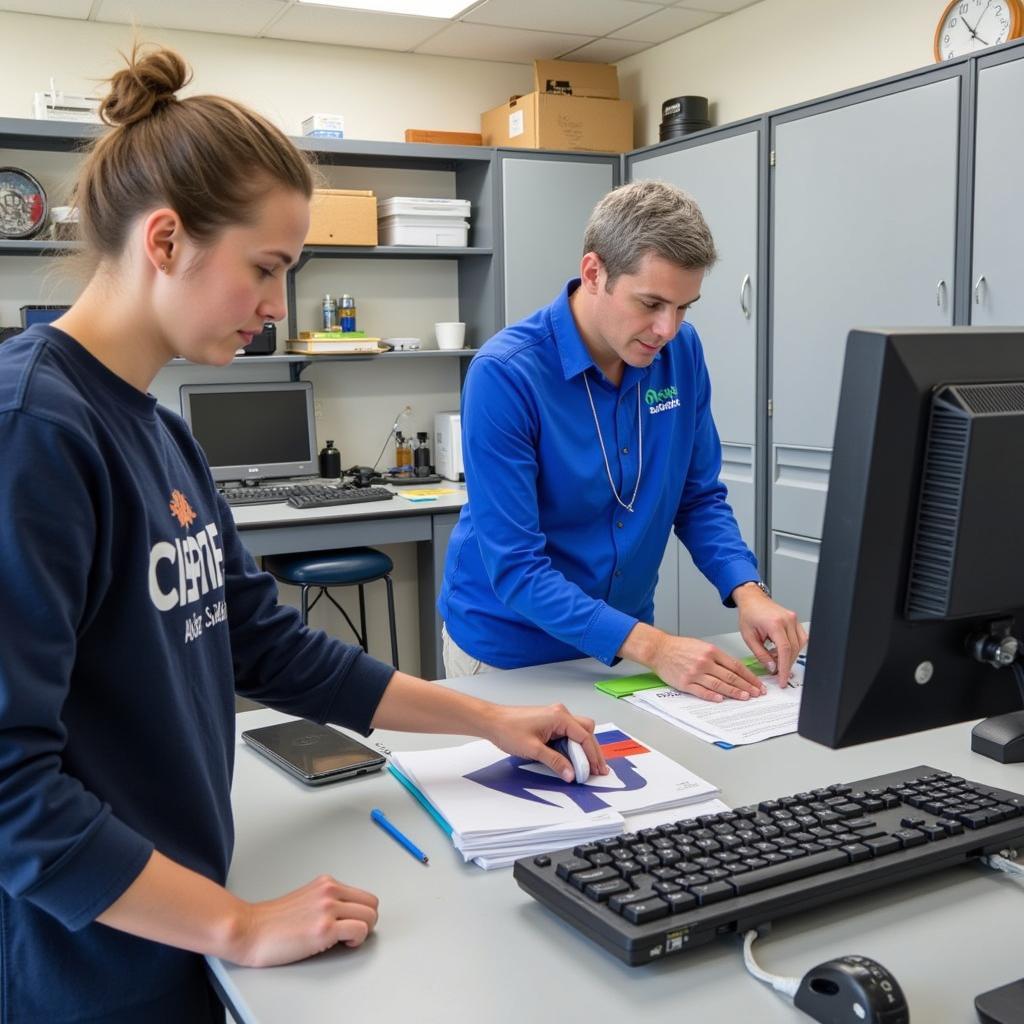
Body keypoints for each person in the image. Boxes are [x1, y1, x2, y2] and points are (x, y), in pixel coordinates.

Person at [0, 46, 607, 1024]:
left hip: (184, 918)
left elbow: (267, 645)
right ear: (165, 240)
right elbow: (10, 792)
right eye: (267, 269)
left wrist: (487, 720)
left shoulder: (158, 432)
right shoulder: (33, 431)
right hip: (93, 964)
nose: (277, 308)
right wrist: (238, 926)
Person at [439, 180, 807, 698]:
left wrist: (747, 590)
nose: (667, 329)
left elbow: (697, 497)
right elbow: (517, 568)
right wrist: (657, 648)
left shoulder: (680, 355)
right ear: (594, 273)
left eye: (685, 308)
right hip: (514, 654)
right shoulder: (506, 374)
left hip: (628, 645)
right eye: (651, 303)